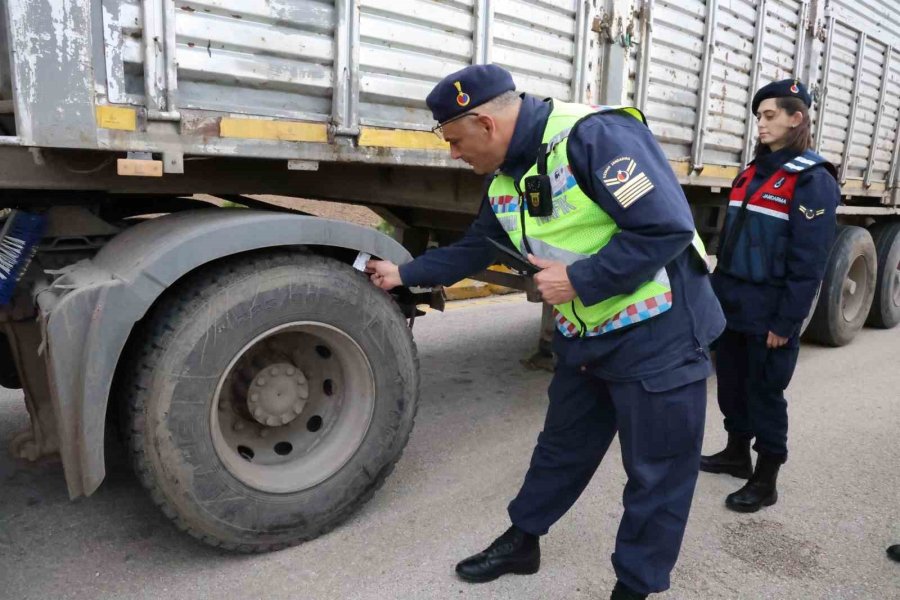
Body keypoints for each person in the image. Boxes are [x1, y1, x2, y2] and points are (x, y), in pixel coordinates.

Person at [367, 64, 724, 599]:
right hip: (588, 330)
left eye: (456, 141)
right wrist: (405, 274)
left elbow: (666, 225)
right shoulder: (506, 176)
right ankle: (524, 540)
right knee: (562, 445)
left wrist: (580, 279)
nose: (454, 154)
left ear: (486, 124)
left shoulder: (596, 137)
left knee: (657, 472)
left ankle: (634, 586)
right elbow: (481, 245)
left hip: (660, 332)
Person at [700, 79, 840, 512]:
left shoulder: (812, 180)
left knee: (765, 392)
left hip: (769, 308)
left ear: (796, 118)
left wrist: (787, 321)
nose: (760, 124)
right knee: (731, 384)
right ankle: (736, 453)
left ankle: (766, 478)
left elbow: (809, 261)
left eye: (770, 115)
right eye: (759, 116)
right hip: (732, 301)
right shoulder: (752, 171)